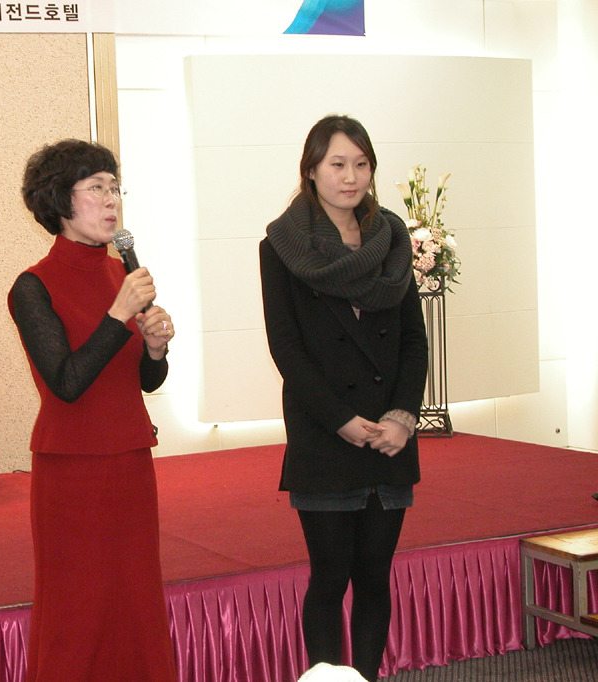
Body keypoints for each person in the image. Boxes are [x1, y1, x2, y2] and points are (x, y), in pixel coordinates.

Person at [259, 115, 428, 681]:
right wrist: (340, 419)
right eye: (337, 164)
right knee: (330, 578)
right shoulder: (281, 247)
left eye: (361, 164)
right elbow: (286, 347)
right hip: (326, 433)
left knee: (375, 577)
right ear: (311, 170)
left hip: (388, 436)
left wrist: (403, 416)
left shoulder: (392, 240)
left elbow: (413, 340)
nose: (350, 177)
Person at [8, 139, 178, 680]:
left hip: (130, 463)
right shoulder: (33, 286)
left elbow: (143, 381)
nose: (111, 201)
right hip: (72, 473)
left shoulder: (120, 276)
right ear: (60, 200)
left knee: (135, 602)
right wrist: (118, 315)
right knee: (78, 610)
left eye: (115, 188)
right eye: (96, 188)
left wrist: (156, 349)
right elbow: (66, 383)